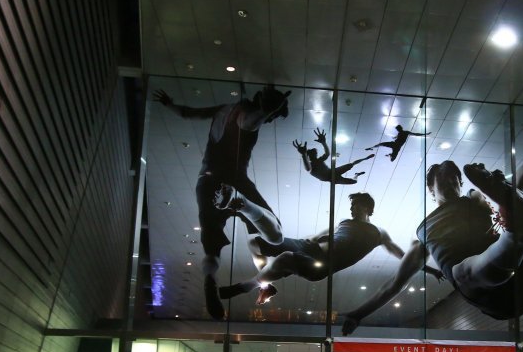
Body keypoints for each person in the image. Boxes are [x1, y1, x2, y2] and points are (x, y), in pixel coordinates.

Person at [340, 131, 523, 339]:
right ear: (432, 189)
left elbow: (518, 183)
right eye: (445, 175)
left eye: (455, 175)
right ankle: (519, 233)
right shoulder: (423, 233)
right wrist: (358, 313)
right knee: (466, 272)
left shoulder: (476, 200)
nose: (453, 179)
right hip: (487, 291)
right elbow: (393, 284)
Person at [152, 85, 291, 319]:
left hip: (206, 181)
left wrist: (169, 103)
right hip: (236, 182)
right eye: (273, 118)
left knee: (212, 241)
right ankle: (241, 206)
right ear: (267, 107)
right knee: (273, 234)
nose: (270, 122)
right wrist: (268, 111)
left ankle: (211, 279)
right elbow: (252, 121)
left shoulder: (224, 109)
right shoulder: (248, 117)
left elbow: (188, 113)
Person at [217, 192, 443, 305]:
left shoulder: (378, 233)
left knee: (285, 258)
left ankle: (246, 287)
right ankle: (265, 285)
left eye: (356, 205)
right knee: (254, 242)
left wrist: (431, 270)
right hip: (309, 248)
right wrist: (316, 237)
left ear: (368, 208)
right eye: (352, 205)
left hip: (322, 265)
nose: (352, 208)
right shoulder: (342, 223)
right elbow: (314, 237)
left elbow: (402, 256)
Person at [295, 128, 373, 185]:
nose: (315, 156)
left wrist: (324, 143)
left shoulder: (319, 160)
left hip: (333, 172)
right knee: (354, 182)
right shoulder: (310, 165)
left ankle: (365, 160)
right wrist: (304, 154)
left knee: (352, 164)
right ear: (309, 157)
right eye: (312, 155)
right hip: (330, 178)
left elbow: (327, 154)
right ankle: (357, 175)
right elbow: (308, 168)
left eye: (315, 154)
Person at [366, 124, 430, 162]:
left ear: (400, 129)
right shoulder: (402, 132)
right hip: (396, 146)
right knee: (382, 145)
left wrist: (425, 134)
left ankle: (389, 154)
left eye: (398, 130)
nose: (398, 131)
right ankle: (373, 148)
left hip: (395, 145)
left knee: (382, 146)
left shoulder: (405, 132)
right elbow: (414, 134)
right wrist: (395, 137)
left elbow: (416, 134)